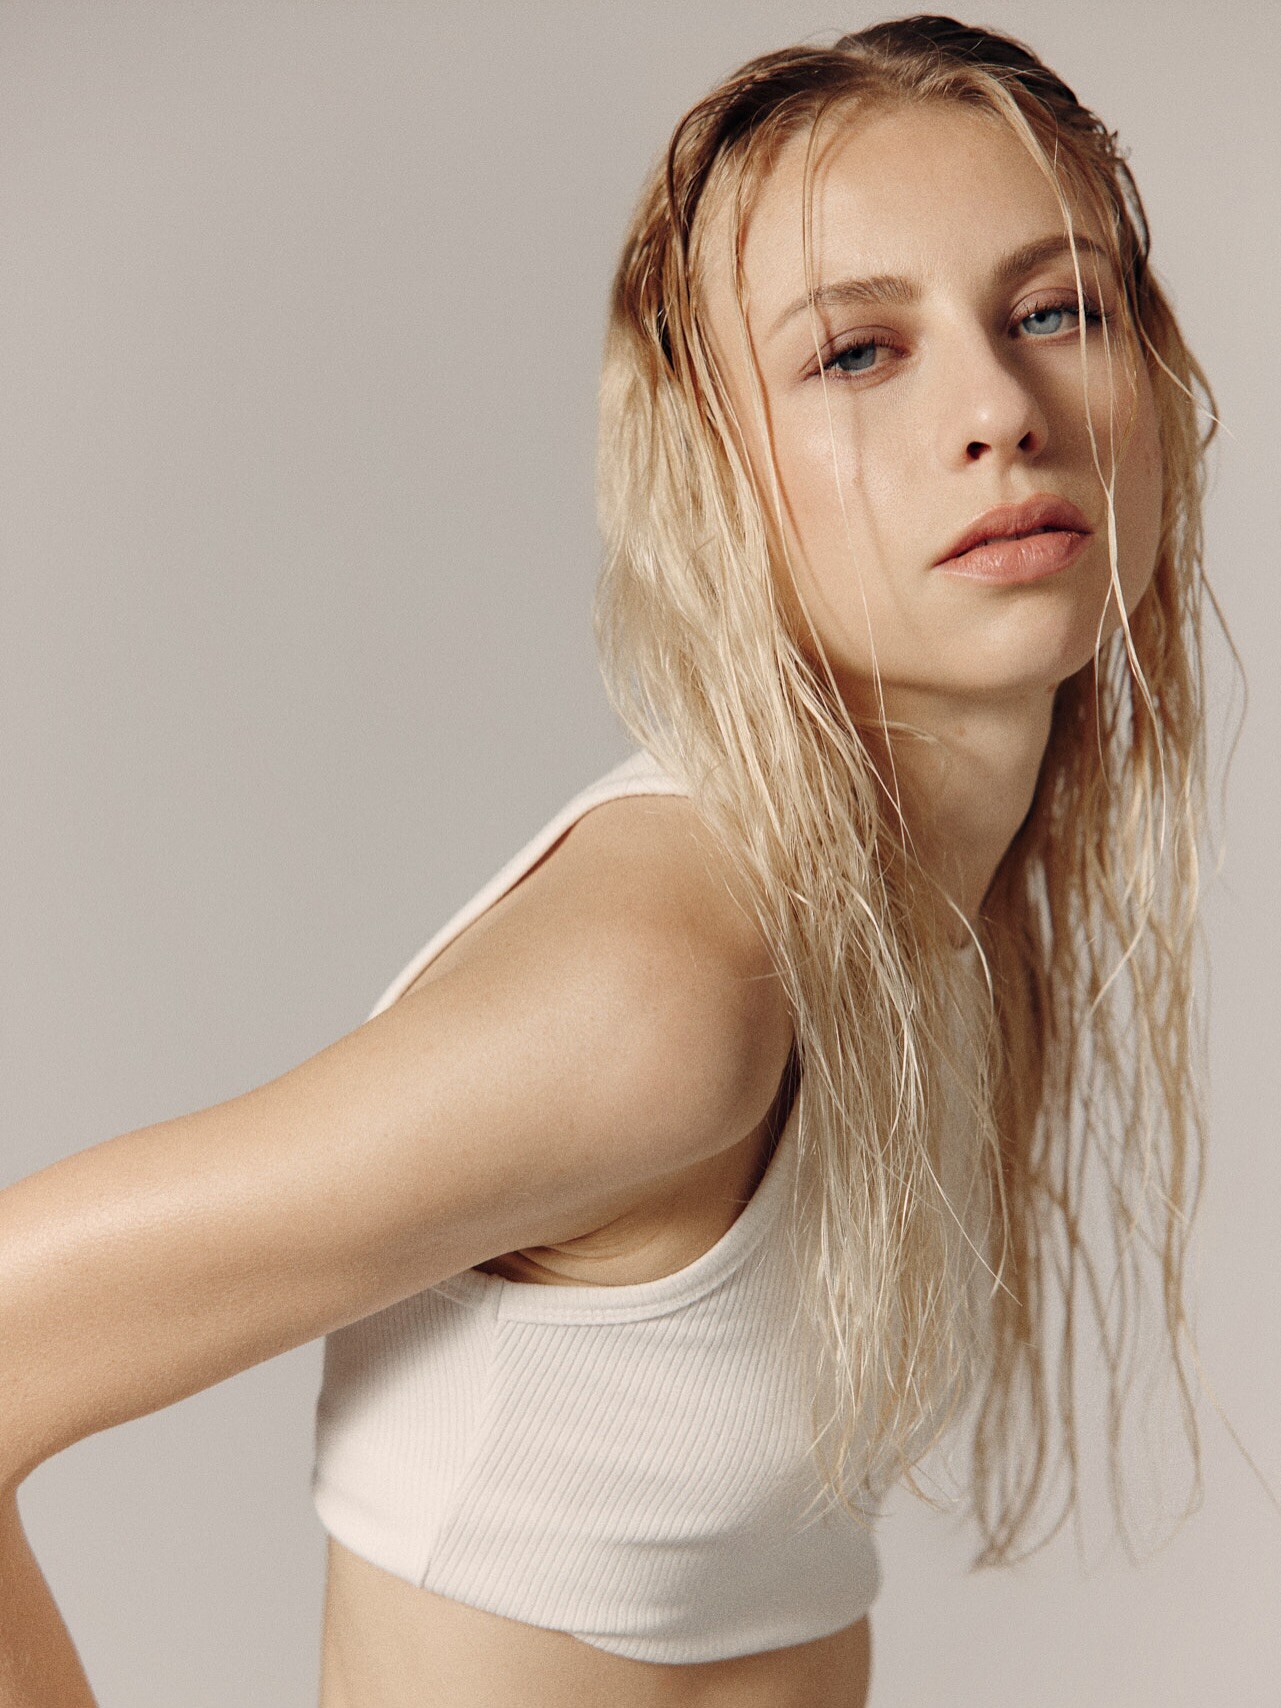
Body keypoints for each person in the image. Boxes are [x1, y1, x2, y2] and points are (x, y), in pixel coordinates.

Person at [0, 15, 1224, 1707]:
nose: (997, 414)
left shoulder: (942, 917)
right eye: (855, 352)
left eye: (1056, 310)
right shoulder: (672, 982)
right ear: (716, 465)